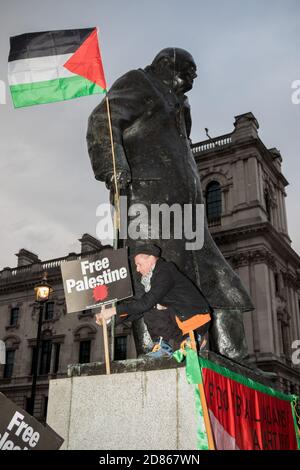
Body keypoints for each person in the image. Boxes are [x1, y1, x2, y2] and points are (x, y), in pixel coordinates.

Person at [87, 48, 253, 362]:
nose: (193, 77)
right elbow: (103, 119)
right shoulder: (140, 82)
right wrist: (113, 167)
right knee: (152, 277)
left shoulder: (181, 104)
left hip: (188, 211)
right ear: (166, 64)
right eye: (188, 70)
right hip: (148, 202)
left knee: (219, 279)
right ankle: (160, 352)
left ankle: (233, 359)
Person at [95, 244, 212, 358]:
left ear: (151, 259)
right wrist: (111, 319)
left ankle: (194, 338)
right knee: (151, 308)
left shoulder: (166, 270)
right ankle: (166, 346)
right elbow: (139, 310)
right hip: (181, 321)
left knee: (150, 305)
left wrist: (114, 310)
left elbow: (146, 303)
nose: (137, 269)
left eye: (139, 264)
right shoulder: (152, 279)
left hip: (196, 319)